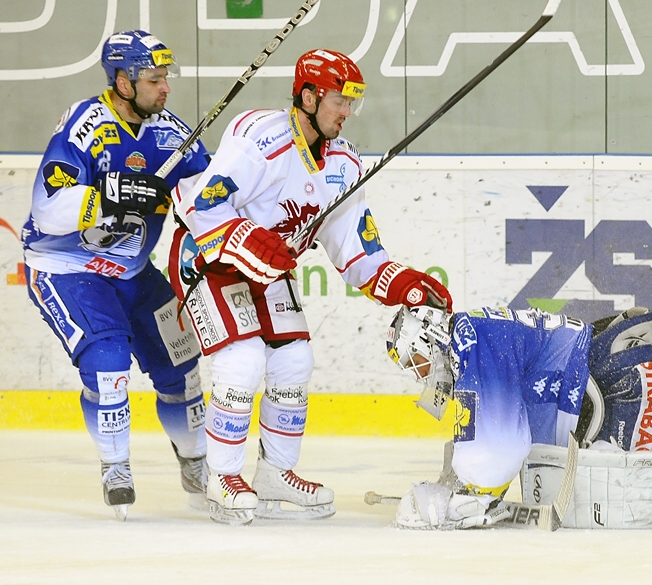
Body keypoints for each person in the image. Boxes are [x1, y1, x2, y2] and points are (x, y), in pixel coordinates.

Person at [168, 49, 453, 526]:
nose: (347, 112)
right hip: (207, 258)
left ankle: (274, 474)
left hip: (267, 268)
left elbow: (357, 251)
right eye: (340, 101)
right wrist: (248, 239)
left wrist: (402, 283)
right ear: (307, 96)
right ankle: (222, 477)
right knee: (243, 359)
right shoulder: (259, 138)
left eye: (352, 102)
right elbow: (202, 208)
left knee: (295, 359)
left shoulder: (344, 164)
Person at [21, 30, 211, 520]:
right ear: (123, 82)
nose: (165, 87)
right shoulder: (84, 125)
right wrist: (112, 193)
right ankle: (115, 465)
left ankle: (196, 460)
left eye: (165, 77)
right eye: (153, 79)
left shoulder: (172, 134)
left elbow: (211, 194)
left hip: (133, 271)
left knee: (183, 365)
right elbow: (47, 210)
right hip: (68, 269)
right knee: (108, 365)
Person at [385, 304, 652, 529]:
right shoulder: (473, 333)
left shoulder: (471, 337)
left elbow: (498, 444)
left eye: (415, 361)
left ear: (430, 337)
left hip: (630, 381)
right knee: (597, 489)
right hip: (621, 375)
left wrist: (470, 497)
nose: (418, 373)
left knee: (618, 495)